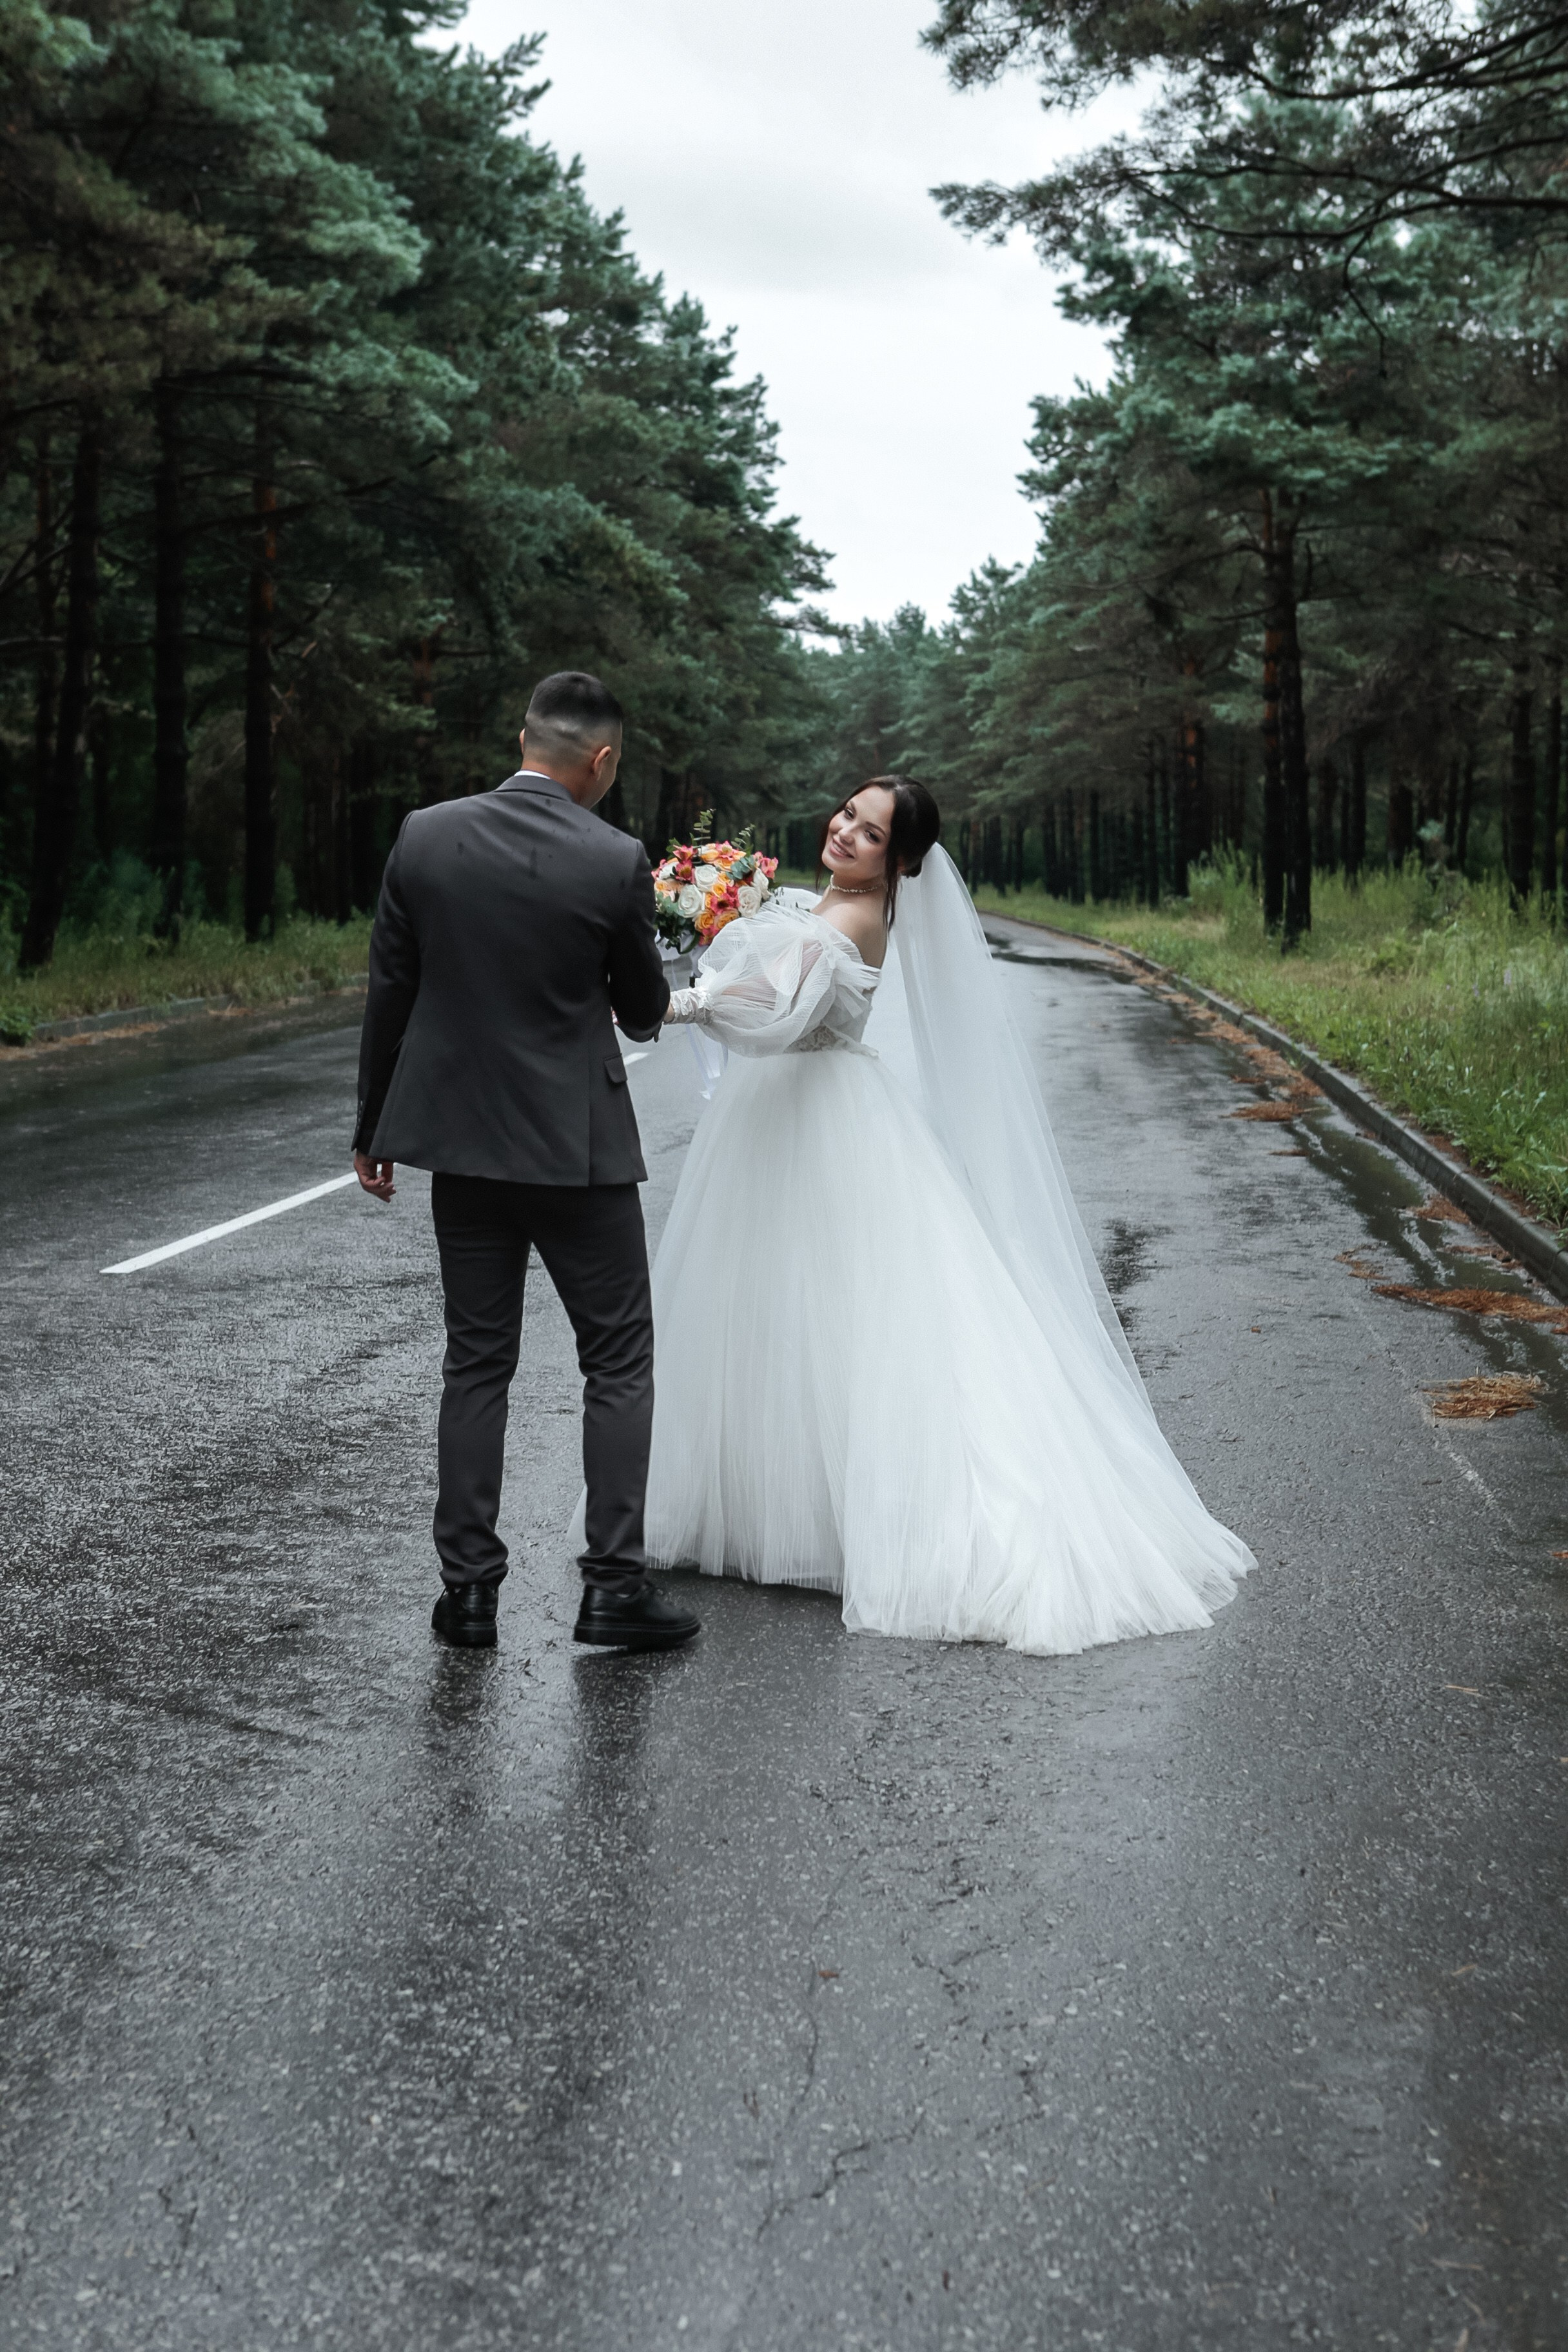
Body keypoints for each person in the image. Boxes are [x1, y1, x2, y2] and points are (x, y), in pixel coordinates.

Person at [648, 777, 1253, 1654]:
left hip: (823, 1120)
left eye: (870, 831)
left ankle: (862, 1518)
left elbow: (776, 1016)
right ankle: (764, 1507)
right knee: (774, 1311)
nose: (846, 831)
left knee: (847, 1319)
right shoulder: (815, 901)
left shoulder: (854, 918)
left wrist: (681, 1001)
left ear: (901, 861)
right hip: (775, 1118)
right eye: (847, 814)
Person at [351, 671, 700, 1654]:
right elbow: (640, 1011)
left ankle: (468, 1597)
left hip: (461, 1149)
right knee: (618, 1361)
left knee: (477, 1363)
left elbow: (393, 987)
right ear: (601, 762)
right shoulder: (614, 857)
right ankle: (612, 1590)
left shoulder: (424, 834)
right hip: (578, 1154)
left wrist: (372, 1125)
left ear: (522, 739)